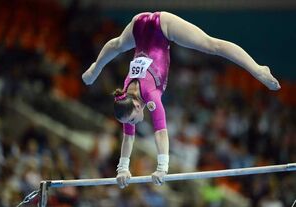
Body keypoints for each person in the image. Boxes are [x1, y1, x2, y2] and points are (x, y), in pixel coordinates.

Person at [82, 11, 281, 189]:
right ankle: (94, 69)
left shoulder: (150, 94)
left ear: (136, 105)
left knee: (212, 45)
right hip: (138, 24)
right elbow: (128, 137)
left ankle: (258, 69)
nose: (134, 124)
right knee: (117, 44)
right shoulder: (126, 98)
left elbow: (161, 132)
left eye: (133, 120)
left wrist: (162, 167)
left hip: (163, 25)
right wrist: (122, 169)